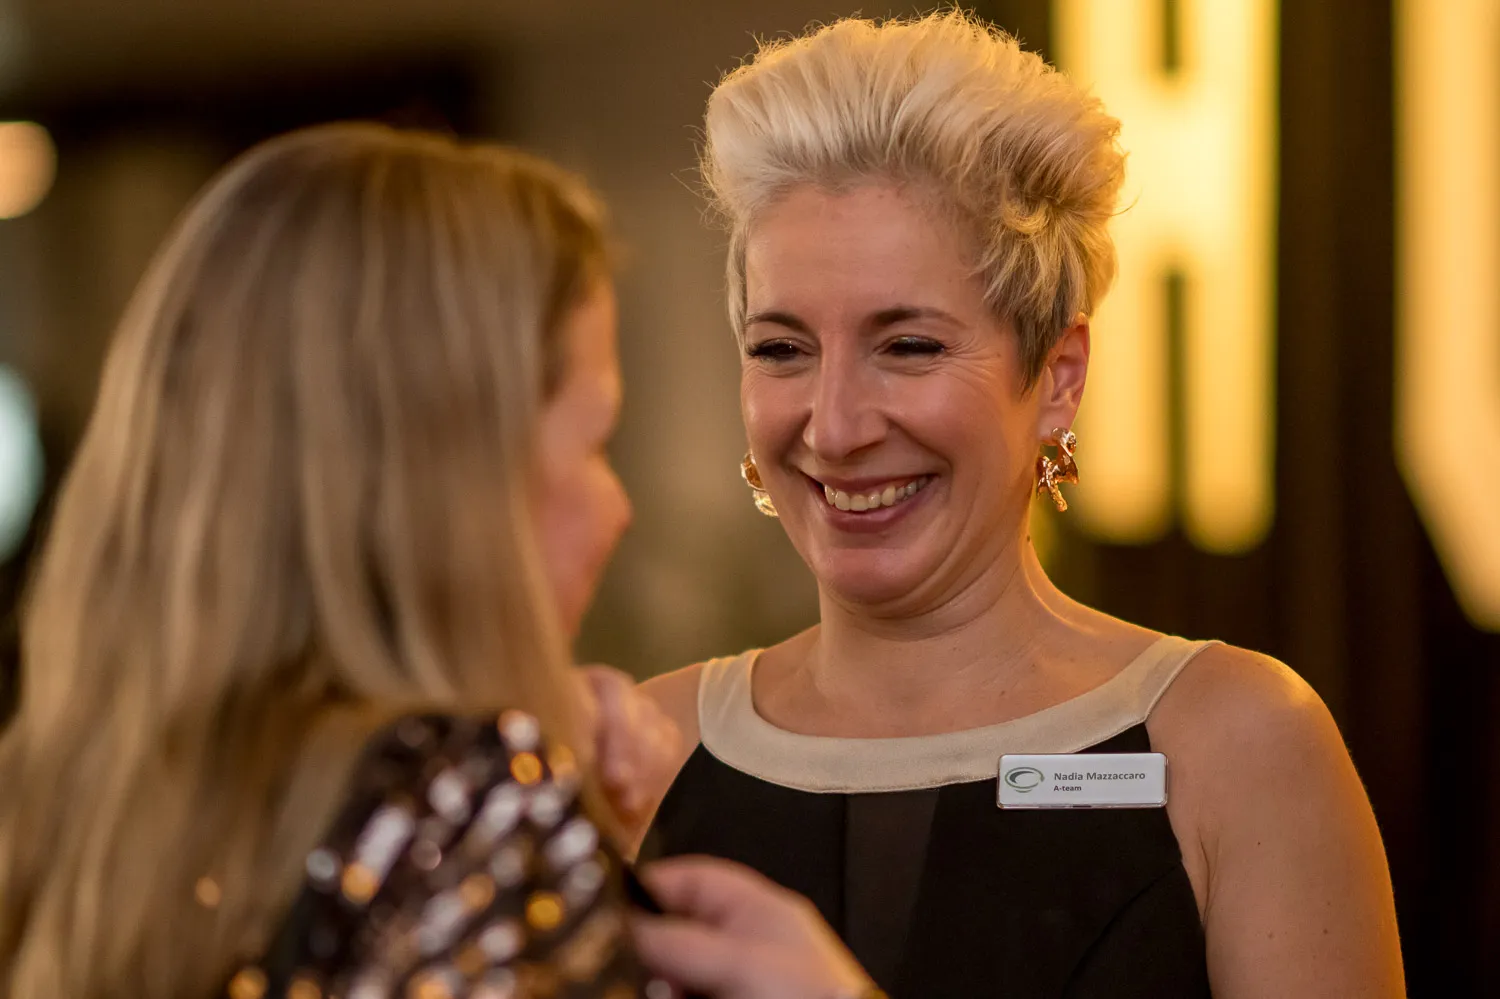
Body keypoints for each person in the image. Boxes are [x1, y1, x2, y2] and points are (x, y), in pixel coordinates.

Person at [0, 123, 880, 999]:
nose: (619, 507)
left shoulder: (62, 816)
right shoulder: (469, 806)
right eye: (593, 443)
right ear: (455, 487)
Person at [633, 12, 1407, 998]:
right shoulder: (644, 755)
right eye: (782, 350)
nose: (834, 426)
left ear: (1057, 377)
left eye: (908, 346)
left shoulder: (1237, 745)